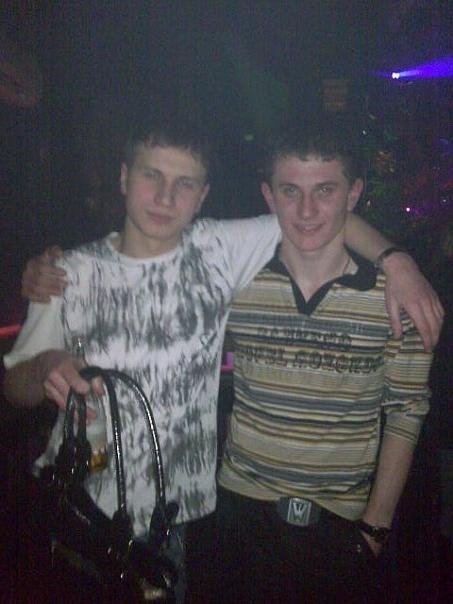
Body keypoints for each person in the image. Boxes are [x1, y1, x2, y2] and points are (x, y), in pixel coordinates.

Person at [9, 117, 442, 601]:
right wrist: (44, 366)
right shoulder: (66, 272)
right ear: (124, 177)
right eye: (152, 176)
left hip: (181, 519)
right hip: (81, 511)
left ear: (203, 196)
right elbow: (15, 387)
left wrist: (396, 260)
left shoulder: (220, 251)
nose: (165, 197)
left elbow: (320, 214)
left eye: (184, 183)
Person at [214, 122, 434, 603]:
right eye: (290, 191)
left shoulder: (400, 299)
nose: (307, 210)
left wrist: (376, 526)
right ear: (269, 196)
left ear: (353, 194)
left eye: (325, 190)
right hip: (239, 515)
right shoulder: (234, 283)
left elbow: (406, 411)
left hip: (340, 525)